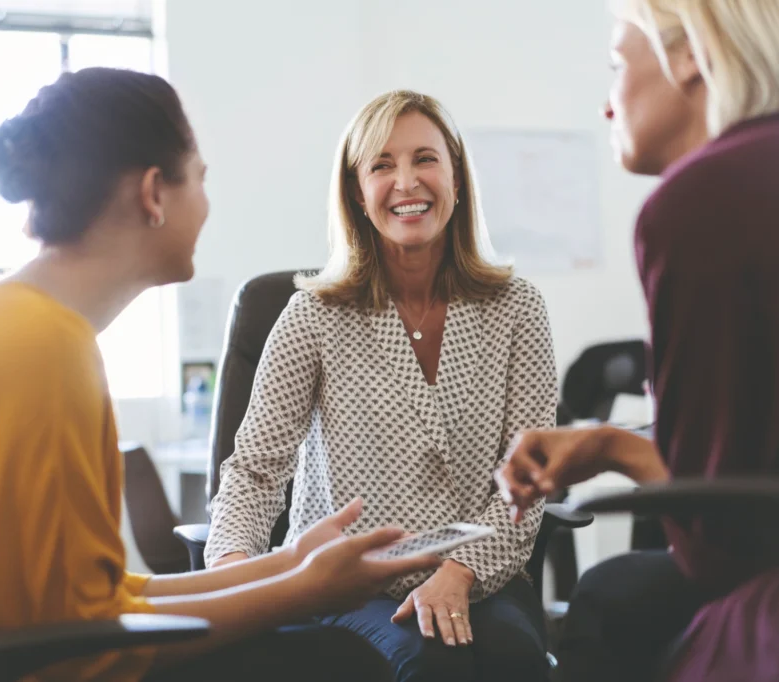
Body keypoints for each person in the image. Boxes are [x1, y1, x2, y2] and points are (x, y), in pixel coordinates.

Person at [0, 67, 442, 682]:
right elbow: (88, 646)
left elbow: (96, 600)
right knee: (340, 663)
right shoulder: (42, 351)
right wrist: (301, 591)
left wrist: (286, 564)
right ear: (154, 193)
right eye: (201, 180)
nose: (209, 205)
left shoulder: (12, 322)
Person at [496, 1, 779, 681]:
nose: (608, 104)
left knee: (614, 610)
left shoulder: (703, 200)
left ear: (691, 54)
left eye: (617, 62)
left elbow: (716, 543)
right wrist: (611, 444)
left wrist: (619, 456)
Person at [204, 89, 559, 682]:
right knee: (428, 663)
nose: (406, 182)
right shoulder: (312, 316)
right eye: (381, 165)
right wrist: (237, 580)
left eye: (425, 158)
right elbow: (256, 470)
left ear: (456, 175)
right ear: (356, 192)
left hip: (482, 571)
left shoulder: (517, 308)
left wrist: (460, 572)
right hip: (351, 582)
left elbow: (528, 477)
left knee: (513, 660)